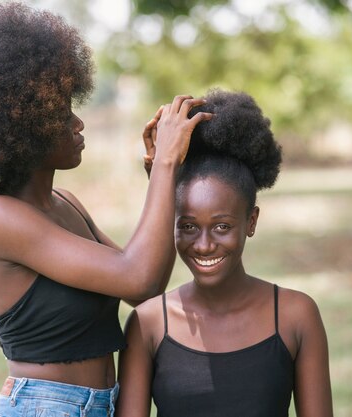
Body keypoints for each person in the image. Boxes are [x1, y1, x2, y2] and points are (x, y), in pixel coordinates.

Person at [0, 3, 211, 416]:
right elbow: (139, 278)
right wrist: (165, 163)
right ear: (21, 126)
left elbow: (144, 286)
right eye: (60, 114)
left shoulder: (66, 204)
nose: (78, 123)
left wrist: (160, 176)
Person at [116, 90, 333, 417]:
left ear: (251, 221)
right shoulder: (149, 324)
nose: (203, 245)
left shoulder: (296, 315)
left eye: (221, 227)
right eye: (188, 226)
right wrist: (163, 165)